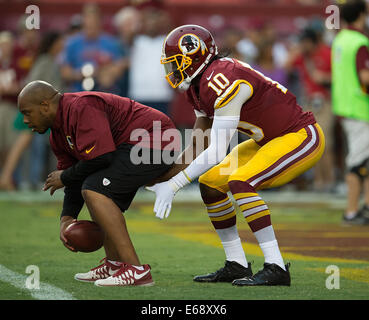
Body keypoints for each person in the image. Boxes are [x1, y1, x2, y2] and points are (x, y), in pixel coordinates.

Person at [148, 25, 325, 286]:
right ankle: (237, 263)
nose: (172, 71)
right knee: (210, 184)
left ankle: (276, 266)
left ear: (194, 57)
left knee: (240, 182)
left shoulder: (222, 78)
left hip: (299, 136)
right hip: (267, 141)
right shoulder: (197, 85)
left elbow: (217, 150)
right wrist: (161, 178)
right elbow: (199, 143)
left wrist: (174, 185)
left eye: (176, 63)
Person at [17, 80, 179, 287]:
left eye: (27, 112)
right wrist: (66, 219)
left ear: (45, 105)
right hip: (135, 145)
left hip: (157, 139)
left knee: (95, 189)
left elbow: (102, 158)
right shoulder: (57, 135)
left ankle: (136, 270)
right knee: (93, 189)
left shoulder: (80, 106)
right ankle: (114, 264)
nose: (24, 119)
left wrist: (64, 176)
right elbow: (76, 177)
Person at [0, 31, 65, 190]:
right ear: (54, 43)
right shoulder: (45, 61)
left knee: (23, 144)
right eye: (60, 42)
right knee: (22, 142)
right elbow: (32, 83)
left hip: (40, 109)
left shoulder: (50, 61)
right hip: (36, 109)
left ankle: (8, 177)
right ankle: (7, 177)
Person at [331, 0, 369, 225]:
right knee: (358, 162)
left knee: (363, 159)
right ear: (361, 15)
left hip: (345, 106)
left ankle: (363, 209)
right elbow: (365, 78)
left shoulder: (340, 39)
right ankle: (352, 211)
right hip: (360, 108)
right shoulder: (360, 41)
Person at [285, 27, 335, 192]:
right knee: (314, 143)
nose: (303, 45)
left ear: (313, 41)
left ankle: (330, 181)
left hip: (326, 101)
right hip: (308, 102)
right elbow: (286, 66)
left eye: (305, 42)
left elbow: (340, 76)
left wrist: (325, 78)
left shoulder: (327, 53)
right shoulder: (302, 56)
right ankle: (319, 182)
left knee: (325, 142)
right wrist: (297, 49)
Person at [60, 3, 127, 93]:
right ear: (83, 20)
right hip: (79, 93)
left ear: (100, 21)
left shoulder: (111, 42)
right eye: (88, 18)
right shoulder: (72, 43)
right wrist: (81, 74)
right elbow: (64, 72)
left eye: (94, 19)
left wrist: (105, 72)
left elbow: (119, 67)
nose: (91, 22)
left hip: (104, 93)